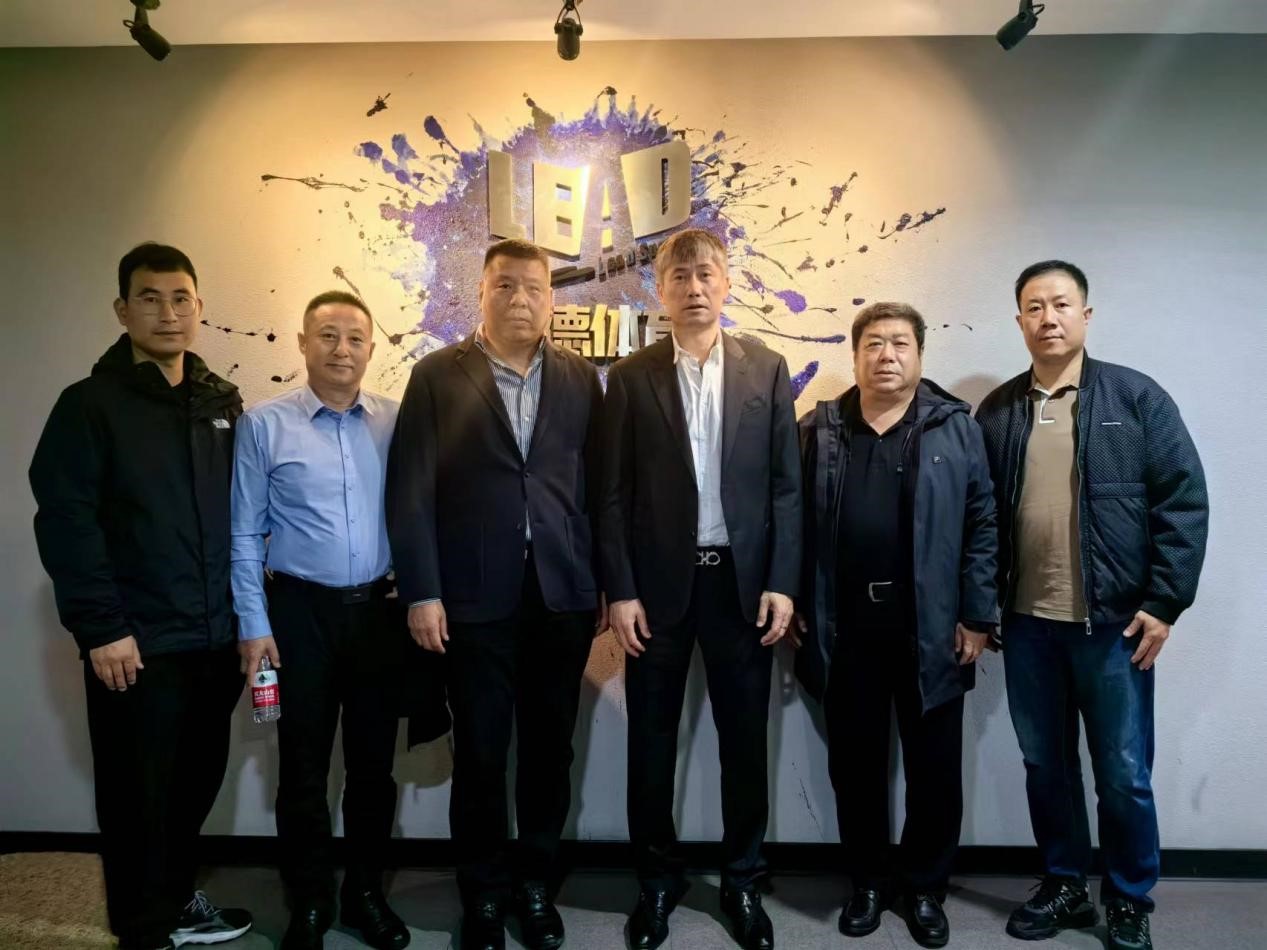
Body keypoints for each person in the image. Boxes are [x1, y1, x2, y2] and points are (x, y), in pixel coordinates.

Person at [976, 261, 1208, 950]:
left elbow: (1183, 502)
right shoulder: (998, 412)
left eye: (1060, 304)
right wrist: (980, 605)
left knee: (1123, 774)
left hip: (1114, 627)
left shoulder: (1135, 398)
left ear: (1085, 315)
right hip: (1027, 625)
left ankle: (1130, 897)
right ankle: (1065, 885)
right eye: (1033, 307)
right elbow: (978, 519)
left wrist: (1164, 603)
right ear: (1019, 321)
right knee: (1044, 766)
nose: (1047, 318)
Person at [30, 243, 253, 950]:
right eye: (150, 298)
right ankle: (143, 929)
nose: (167, 312)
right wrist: (102, 628)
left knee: (195, 784)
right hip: (135, 643)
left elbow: (243, 517)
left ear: (199, 307)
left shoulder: (220, 401)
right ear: (123, 310)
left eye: (180, 297)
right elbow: (66, 521)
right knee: (136, 794)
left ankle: (176, 902)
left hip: (214, 639)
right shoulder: (88, 405)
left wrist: (248, 621)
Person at [387, 239, 605, 950]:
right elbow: (411, 493)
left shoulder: (580, 378)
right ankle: (481, 893)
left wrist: (602, 581)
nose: (520, 299)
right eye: (505, 285)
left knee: (549, 751)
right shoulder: (436, 375)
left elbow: (599, 487)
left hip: (560, 597)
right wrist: (422, 592)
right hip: (473, 601)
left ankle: (536, 884)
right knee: (481, 753)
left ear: (552, 299)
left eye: (535, 288)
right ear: (480, 291)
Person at [600, 227, 802, 950]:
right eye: (679, 276)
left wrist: (782, 581)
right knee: (651, 745)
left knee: (744, 744)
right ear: (659, 288)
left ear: (726, 283)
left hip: (741, 590)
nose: (693, 287)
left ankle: (743, 879)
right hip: (656, 593)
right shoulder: (631, 377)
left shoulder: (765, 369)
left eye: (705, 274)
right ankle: (657, 883)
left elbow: (785, 487)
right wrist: (620, 590)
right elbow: (612, 495)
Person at [793, 302, 998, 948]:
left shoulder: (954, 428)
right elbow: (789, 521)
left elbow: (982, 523)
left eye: (900, 343)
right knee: (855, 768)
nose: (887, 355)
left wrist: (976, 614)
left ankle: (924, 888)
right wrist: (793, 600)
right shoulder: (819, 429)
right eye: (874, 343)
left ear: (919, 354)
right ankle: (868, 883)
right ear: (855, 356)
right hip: (844, 628)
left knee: (934, 770)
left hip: (931, 630)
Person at [232, 291, 409, 950]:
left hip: (378, 617)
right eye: (327, 336)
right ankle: (307, 899)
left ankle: (365, 895)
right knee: (302, 768)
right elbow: (244, 534)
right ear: (303, 344)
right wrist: (253, 623)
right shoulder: (264, 425)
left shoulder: (396, 421)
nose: (342, 349)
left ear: (372, 348)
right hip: (297, 615)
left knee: (373, 769)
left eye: (355, 338)